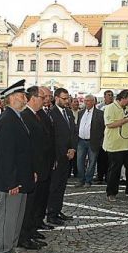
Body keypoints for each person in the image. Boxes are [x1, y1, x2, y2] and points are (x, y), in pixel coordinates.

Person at [0, 79, 36, 253]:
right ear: (11, 98)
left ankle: (10, 249)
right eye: (21, 96)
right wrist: (11, 182)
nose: (24, 99)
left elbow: (23, 150)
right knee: (7, 218)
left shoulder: (16, 117)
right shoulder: (8, 119)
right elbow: (5, 155)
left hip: (21, 177)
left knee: (16, 217)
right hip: (12, 180)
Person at [19, 86, 55, 250]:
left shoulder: (36, 115)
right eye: (42, 97)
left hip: (41, 165)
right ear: (33, 98)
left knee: (36, 202)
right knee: (29, 205)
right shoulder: (26, 116)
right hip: (33, 167)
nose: (45, 100)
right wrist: (31, 169)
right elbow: (28, 146)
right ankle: (24, 236)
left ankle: (31, 231)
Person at [103, 89, 128, 201]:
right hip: (115, 145)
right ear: (123, 98)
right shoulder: (110, 108)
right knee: (114, 170)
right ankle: (111, 193)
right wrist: (126, 120)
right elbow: (109, 124)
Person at [47, 88, 78, 225]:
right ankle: (51, 214)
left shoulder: (69, 112)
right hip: (57, 156)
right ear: (56, 98)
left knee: (62, 185)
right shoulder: (51, 114)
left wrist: (73, 148)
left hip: (68, 155)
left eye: (68, 98)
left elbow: (73, 132)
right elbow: (52, 137)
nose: (67, 101)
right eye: (64, 99)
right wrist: (61, 152)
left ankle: (58, 210)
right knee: (54, 186)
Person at [74, 95, 105, 188]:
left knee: (92, 162)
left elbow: (103, 128)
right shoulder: (80, 113)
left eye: (88, 101)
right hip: (81, 141)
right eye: (85, 100)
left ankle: (88, 180)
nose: (86, 102)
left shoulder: (100, 113)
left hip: (93, 141)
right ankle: (81, 179)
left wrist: (101, 141)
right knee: (79, 162)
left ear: (93, 102)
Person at [95, 90, 114, 184]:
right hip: (101, 135)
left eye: (112, 95)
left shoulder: (115, 106)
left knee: (110, 158)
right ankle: (100, 176)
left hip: (111, 135)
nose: (110, 97)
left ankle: (108, 176)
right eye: (108, 95)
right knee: (100, 157)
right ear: (104, 96)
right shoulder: (99, 107)